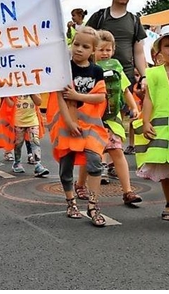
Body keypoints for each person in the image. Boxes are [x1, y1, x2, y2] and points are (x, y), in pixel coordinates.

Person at [48, 27, 112, 227]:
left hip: (91, 127)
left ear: (93, 50)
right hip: (68, 125)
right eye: (76, 44)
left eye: (85, 46)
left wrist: (78, 96)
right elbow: (59, 97)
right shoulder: (64, 69)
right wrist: (68, 121)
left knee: (95, 162)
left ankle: (93, 205)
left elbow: (100, 97)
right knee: (65, 166)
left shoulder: (96, 70)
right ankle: (71, 202)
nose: (79, 49)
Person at [138, 26, 169, 224]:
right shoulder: (154, 73)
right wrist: (146, 122)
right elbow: (149, 99)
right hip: (163, 130)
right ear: (160, 50)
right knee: (167, 169)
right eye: (167, 45)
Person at [92, 30, 142, 206]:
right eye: (101, 50)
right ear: (93, 50)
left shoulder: (116, 66)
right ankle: (81, 185)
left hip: (112, 118)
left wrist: (134, 107)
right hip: (92, 119)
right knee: (92, 157)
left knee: (117, 151)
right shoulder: (89, 68)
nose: (105, 53)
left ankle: (127, 191)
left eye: (108, 50)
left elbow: (125, 89)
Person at [83, 0, 147, 84]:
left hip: (126, 77)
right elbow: (84, 41)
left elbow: (139, 53)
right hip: (99, 76)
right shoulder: (99, 16)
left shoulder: (135, 21)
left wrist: (144, 77)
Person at [10, 93, 50, 177]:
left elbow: (39, 102)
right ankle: (17, 162)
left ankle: (38, 165)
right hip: (19, 121)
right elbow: (10, 104)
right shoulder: (16, 87)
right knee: (18, 143)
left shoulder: (33, 88)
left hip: (32, 120)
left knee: (35, 141)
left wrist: (32, 92)